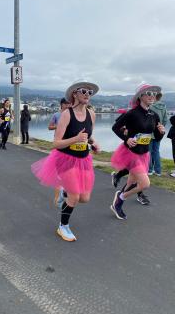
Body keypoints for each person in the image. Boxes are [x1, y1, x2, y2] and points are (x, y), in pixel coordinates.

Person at [31, 81, 100, 242]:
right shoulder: (67, 114)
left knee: (85, 198)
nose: (87, 94)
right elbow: (56, 143)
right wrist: (75, 138)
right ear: (74, 94)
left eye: (90, 92)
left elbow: (88, 136)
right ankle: (63, 226)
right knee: (75, 197)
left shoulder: (92, 114)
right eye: (83, 91)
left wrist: (93, 143)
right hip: (65, 159)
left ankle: (64, 192)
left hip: (84, 160)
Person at [110, 84, 165, 220]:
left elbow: (156, 137)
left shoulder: (154, 115)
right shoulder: (132, 113)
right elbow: (116, 127)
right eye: (149, 93)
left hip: (144, 154)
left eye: (154, 94)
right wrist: (127, 138)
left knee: (131, 182)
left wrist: (161, 133)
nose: (152, 96)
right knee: (145, 184)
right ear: (141, 96)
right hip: (131, 153)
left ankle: (117, 205)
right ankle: (120, 197)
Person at [148, 92, 168, 176]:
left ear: (154, 97)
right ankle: (158, 171)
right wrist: (161, 128)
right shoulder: (163, 107)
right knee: (156, 151)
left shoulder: (150, 106)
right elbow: (165, 119)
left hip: (150, 132)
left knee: (149, 152)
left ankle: (149, 170)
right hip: (159, 133)